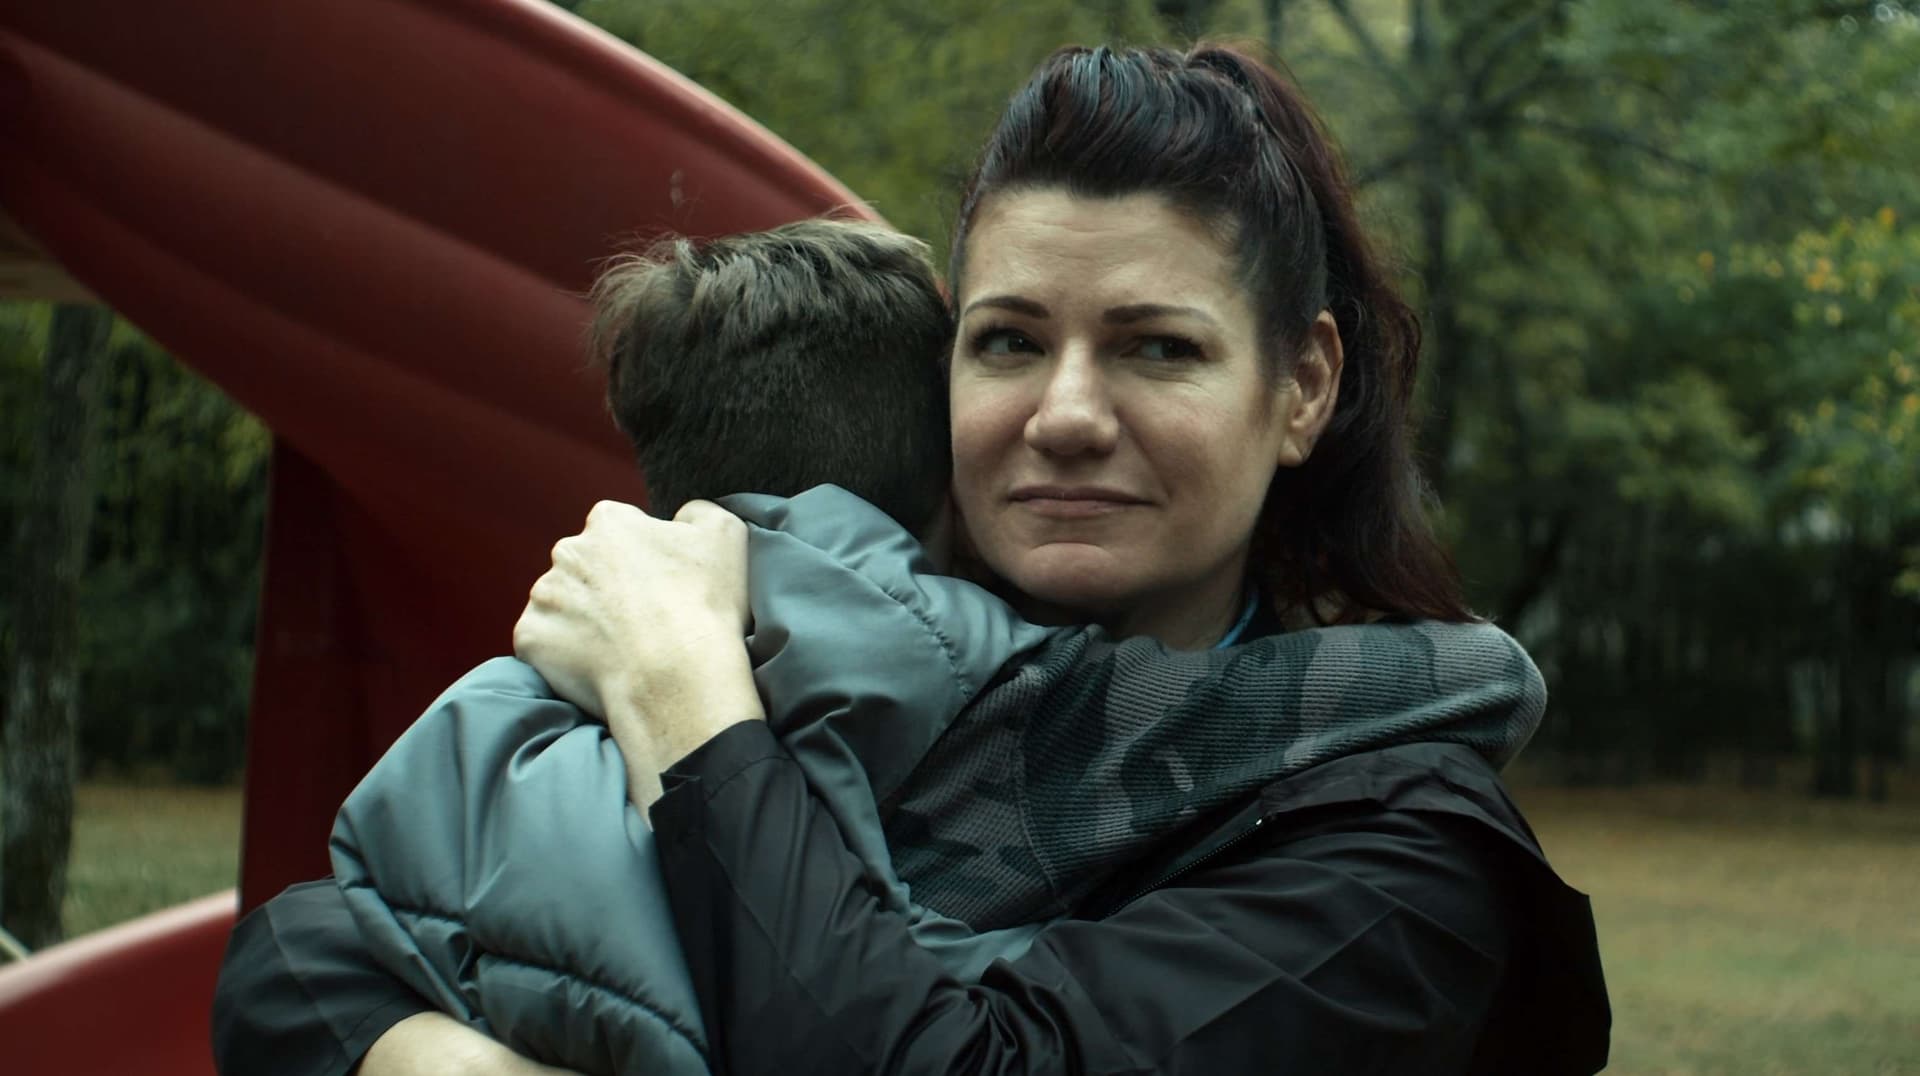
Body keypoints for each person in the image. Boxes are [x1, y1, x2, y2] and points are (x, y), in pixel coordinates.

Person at [216, 42, 1609, 1076]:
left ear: (1301, 387)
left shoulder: (1400, 860)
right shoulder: (865, 662)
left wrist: (692, 715)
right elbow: (303, 949)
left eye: (1157, 347)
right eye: (1008, 340)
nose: (1063, 415)